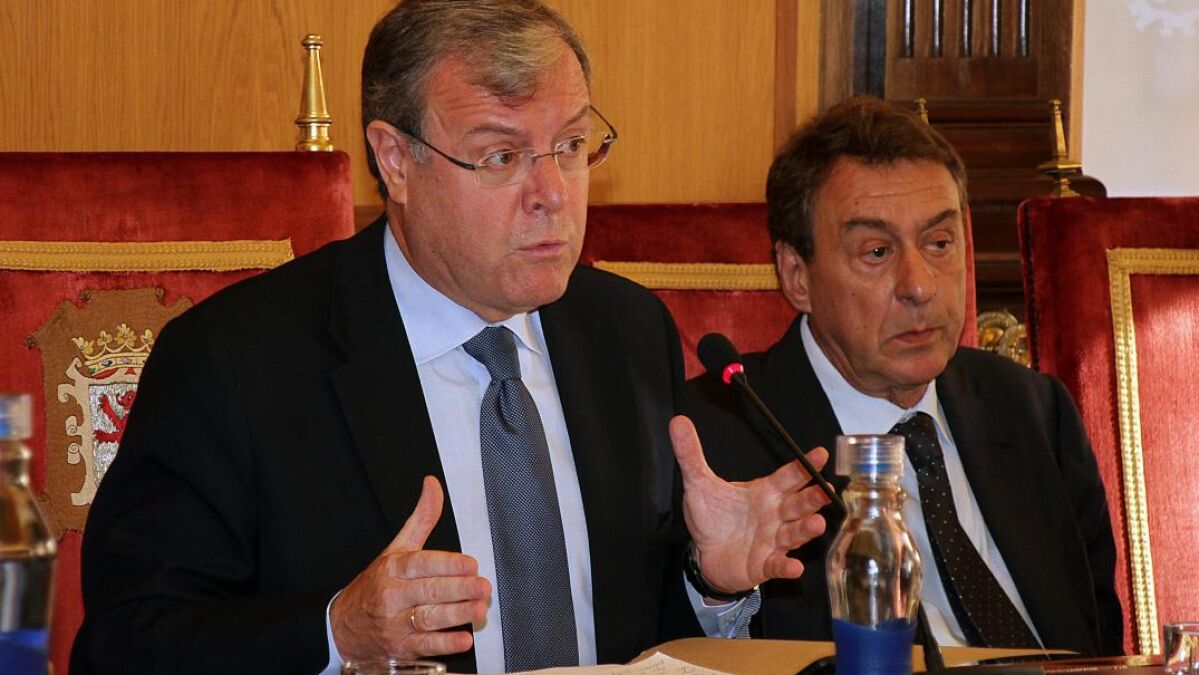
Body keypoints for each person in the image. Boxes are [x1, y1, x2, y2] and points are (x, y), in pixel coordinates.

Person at [70, 1, 831, 673]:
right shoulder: (234, 362)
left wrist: (708, 582)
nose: (552, 195)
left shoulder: (626, 334)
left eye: (570, 146)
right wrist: (335, 633)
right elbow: (125, 643)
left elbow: (630, 635)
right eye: (501, 156)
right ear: (394, 160)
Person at [686, 96, 1123, 657]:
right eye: (876, 252)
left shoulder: (1033, 410)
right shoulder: (716, 440)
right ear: (797, 276)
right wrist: (715, 589)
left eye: (939, 244)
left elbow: (1101, 646)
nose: (919, 286)